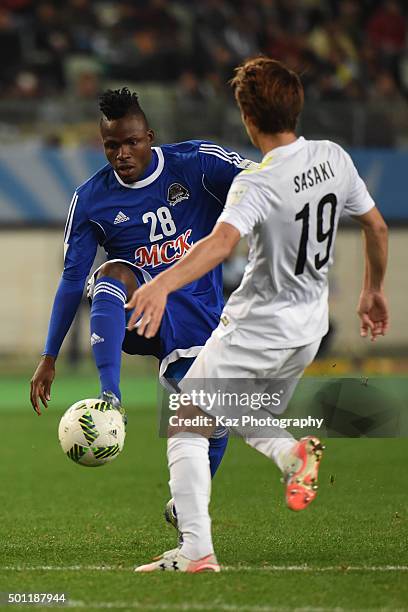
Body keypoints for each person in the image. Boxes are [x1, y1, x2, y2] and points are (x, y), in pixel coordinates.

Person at [126, 57, 389, 572]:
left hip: (259, 326)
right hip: (310, 328)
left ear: (247, 117)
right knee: (234, 410)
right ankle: (292, 456)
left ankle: (196, 550)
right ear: (297, 105)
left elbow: (220, 244)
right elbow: (377, 227)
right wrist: (372, 290)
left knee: (187, 421)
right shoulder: (334, 157)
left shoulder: (259, 182)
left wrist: (160, 282)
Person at [29, 87, 256, 524]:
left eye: (131, 142)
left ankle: (186, 506)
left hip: (197, 314)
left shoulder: (197, 164)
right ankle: (110, 398)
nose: (122, 154)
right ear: (103, 145)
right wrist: (49, 355)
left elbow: (258, 181)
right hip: (139, 313)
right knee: (110, 274)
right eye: (112, 145)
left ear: (149, 136)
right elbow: (72, 280)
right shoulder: (91, 199)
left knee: (209, 421)